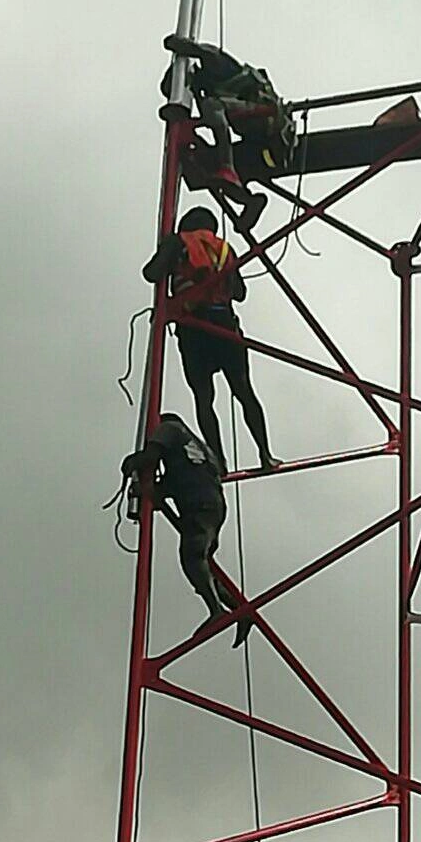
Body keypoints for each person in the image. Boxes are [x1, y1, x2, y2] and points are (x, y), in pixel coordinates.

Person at [142, 206, 281, 474]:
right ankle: (266, 454)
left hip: (194, 329)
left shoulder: (179, 241)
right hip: (225, 325)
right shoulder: (225, 248)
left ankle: (218, 460)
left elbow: (151, 273)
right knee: (244, 391)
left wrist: (167, 253)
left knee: (204, 397)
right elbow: (240, 292)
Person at [121, 413, 251, 645]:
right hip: (212, 505)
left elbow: (150, 457)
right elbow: (176, 482)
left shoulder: (169, 429)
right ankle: (241, 609)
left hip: (198, 506)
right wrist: (149, 491)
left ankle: (217, 611)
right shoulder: (198, 449)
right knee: (201, 565)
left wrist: (133, 462)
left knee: (192, 558)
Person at [161, 37, 295, 231]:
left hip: (267, 119)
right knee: (206, 164)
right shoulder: (203, 88)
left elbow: (202, 51)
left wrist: (181, 46)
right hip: (255, 136)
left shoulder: (217, 65)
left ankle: (228, 168)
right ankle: (248, 200)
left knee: (212, 107)